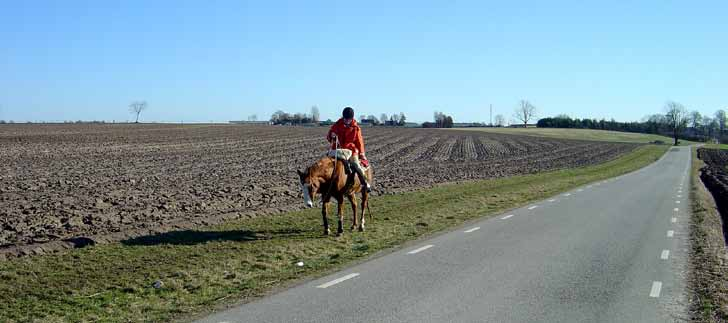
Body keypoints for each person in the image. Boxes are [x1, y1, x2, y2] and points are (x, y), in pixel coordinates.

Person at [327, 107, 372, 192]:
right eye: (345, 119)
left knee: (356, 165)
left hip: (351, 151)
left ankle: (365, 183)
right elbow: (329, 137)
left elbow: (359, 142)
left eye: (348, 119)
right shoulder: (336, 125)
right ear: (343, 117)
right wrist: (331, 135)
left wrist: (362, 153)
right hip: (337, 149)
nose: (347, 121)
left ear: (352, 118)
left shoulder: (356, 128)